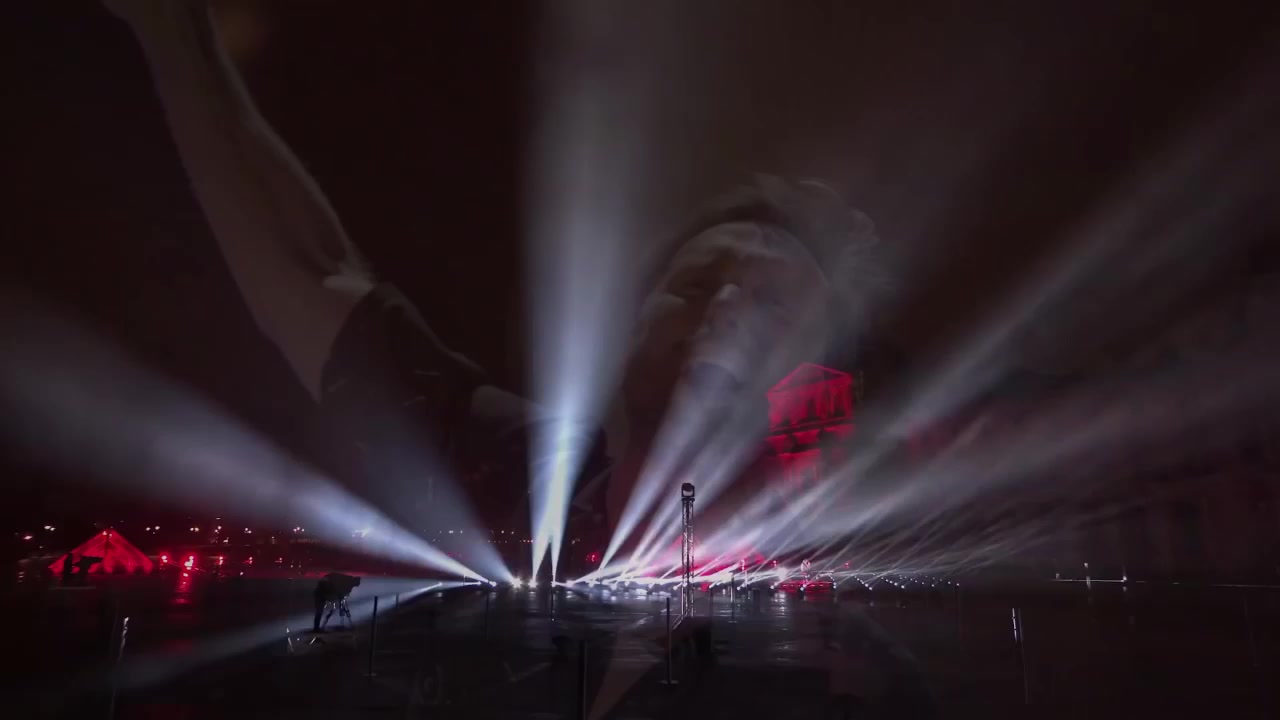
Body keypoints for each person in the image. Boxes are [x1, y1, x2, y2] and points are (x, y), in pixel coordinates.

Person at [102, 0, 885, 567]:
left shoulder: (841, 572)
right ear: (632, 323)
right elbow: (312, 270)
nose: (726, 306)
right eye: (700, 280)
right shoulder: (526, 469)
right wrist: (174, 31)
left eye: (771, 301)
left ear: (818, 379)